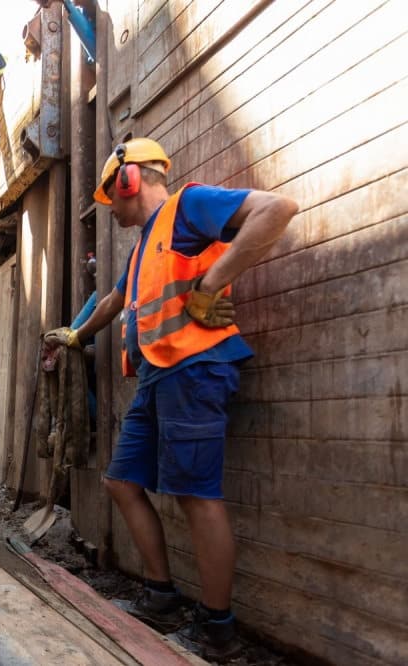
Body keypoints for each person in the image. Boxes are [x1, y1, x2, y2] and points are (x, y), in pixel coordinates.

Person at [44, 137, 298, 661]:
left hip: (195, 368)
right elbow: (116, 299)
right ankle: (161, 598)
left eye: (111, 193)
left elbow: (278, 209)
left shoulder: (189, 205)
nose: (109, 206)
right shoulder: (143, 248)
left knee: (197, 494)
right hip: (160, 375)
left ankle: (217, 629)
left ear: (128, 179)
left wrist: (212, 284)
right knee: (120, 482)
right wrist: (77, 335)